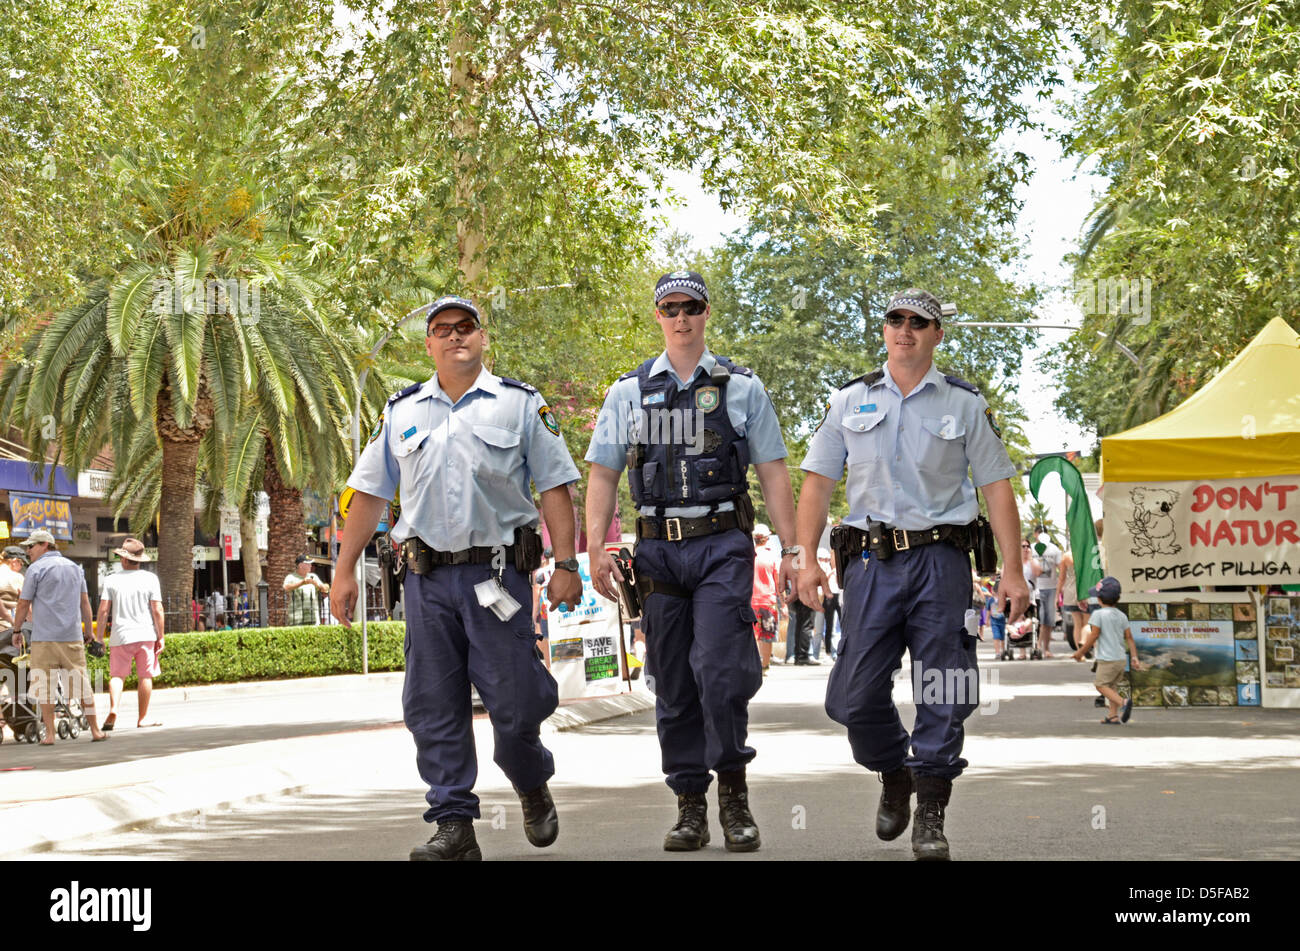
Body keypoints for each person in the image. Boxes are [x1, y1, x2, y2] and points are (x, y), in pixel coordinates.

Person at [331, 294, 583, 861]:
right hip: (426, 581)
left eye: (465, 327)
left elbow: (555, 486)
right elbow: (370, 494)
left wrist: (566, 564)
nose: (454, 337)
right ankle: (453, 824)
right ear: (428, 344)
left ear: (482, 336)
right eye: (441, 329)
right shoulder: (402, 411)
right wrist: (344, 569)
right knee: (432, 703)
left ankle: (529, 776)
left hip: (498, 578)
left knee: (516, 704)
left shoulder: (520, 405)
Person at [794, 287, 1030, 861]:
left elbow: (996, 487)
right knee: (851, 696)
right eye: (894, 319)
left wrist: (1015, 572)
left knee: (943, 687)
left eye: (918, 323)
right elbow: (818, 484)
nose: (905, 330)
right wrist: (805, 558)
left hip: (942, 561)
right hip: (871, 564)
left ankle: (931, 808)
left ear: (936, 334)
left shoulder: (964, 403)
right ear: (884, 330)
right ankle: (894, 770)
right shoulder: (850, 400)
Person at [585, 269, 799, 854]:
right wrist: (596, 546)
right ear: (657, 316)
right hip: (655, 549)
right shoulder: (628, 392)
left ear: (707, 314)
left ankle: (733, 794)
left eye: (692, 307)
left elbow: (774, 471)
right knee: (673, 681)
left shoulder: (741, 388)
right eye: (670, 308)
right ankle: (689, 806)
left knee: (722, 672)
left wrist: (794, 549)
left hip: (721, 544)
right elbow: (602, 471)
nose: (681, 317)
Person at [9, 530, 107, 744]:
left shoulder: (35, 570)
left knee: (45, 686)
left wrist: (17, 631)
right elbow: (85, 602)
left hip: (43, 638)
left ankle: (50, 735)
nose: (28, 551)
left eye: (31, 546)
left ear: (45, 544)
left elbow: (23, 603)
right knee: (82, 684)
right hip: (72, 637)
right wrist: (88, 632)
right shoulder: (75, 568)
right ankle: (95, 730)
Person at [94, 538, 165, 730]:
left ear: (124, 560)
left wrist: (99, 638)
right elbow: (157, 609)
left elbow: (103, 611)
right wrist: (161, 636)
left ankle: (114, 709)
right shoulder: (150, 579)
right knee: (145, 676)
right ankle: (142, 718)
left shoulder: (111, 580)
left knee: (117, 675)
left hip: (120, 635)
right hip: (145, 635)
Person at [1071, 576, 1142, 724]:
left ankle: (1124, 702)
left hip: (1107, 659)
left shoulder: (1098, 615)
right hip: (1121, 659)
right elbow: (1129, 637)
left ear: (1100, 599)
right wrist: (1134, 657)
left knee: (1101, 685)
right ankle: (1113, 715)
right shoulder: (1122, 615)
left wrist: (1080, 652)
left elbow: (1093, 636)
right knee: (1112, 686)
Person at [750, 523, 780, 673]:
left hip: (751, 600)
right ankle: (765, 666)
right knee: (767, 634)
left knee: (752, 635)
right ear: (767, 538)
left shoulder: (749, 556)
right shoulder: (771, 555)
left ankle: (753, 665)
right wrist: (783, 599)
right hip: (769, 601)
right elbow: (777, 579)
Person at [1031, 534, 1061, 657]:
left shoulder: (1054, 550)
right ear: (1035, 536)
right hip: (1034, 588)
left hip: (1051, 589)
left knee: (1048, 621)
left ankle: (1045, 648)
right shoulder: (1031, 548)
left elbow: (1061, 567)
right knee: (1038, 620)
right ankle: (1037, 646)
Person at [284, 555, 329, 626]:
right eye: (308, 564)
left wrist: (315, 583)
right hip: (297, 617)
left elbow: (324, 589)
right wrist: (302, 583)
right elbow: (286, 587)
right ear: (300, 565)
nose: (311, 566)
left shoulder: (314, 576)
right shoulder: (290, 577)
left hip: (313, 616)